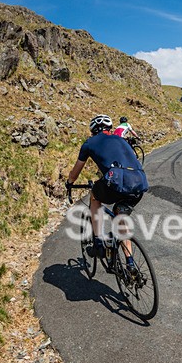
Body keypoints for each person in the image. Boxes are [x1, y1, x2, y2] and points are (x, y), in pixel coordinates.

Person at [65, 114, 147, 269]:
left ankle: (98, 242)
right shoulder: (122, 140)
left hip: (118, 181)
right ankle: (130, 264)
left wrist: (69, 183)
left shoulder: (89, 143)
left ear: (93, 130)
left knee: (95, 196)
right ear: (109, 128)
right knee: (120, 217)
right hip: (140, 182)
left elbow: (75, 172)